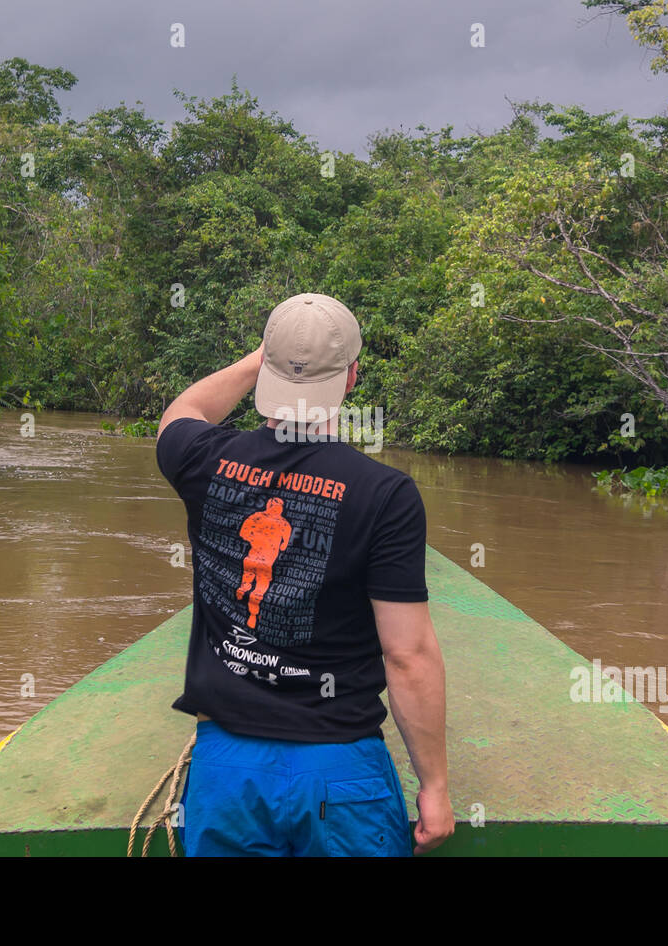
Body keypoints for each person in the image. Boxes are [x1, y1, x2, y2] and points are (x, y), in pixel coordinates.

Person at [155, 292, 454, 856]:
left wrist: (260, 359)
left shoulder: (202, 461)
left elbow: (182, 413)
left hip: (228, 770)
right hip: (337, 770)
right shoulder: (385, 495)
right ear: (351, 377)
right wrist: (434, 787)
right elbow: (407, 655)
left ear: (264, 367)